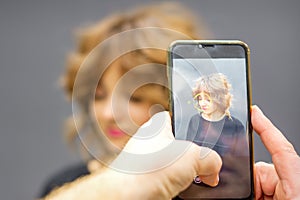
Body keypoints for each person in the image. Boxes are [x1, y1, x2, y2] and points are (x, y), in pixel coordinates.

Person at [39, 3, 300, 200]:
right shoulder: (63, 186)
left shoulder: (213, 188)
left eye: (135, 96)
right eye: (98, 96)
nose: (108, 113)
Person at [184, 73, 250, 198]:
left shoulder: (236, 126)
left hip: (229, 190)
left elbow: (241, 165)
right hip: (198, 190)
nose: (203, 103)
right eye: (199, 98)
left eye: (207, 99)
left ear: (219, 98)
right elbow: (189, 157)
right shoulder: (194, 121)